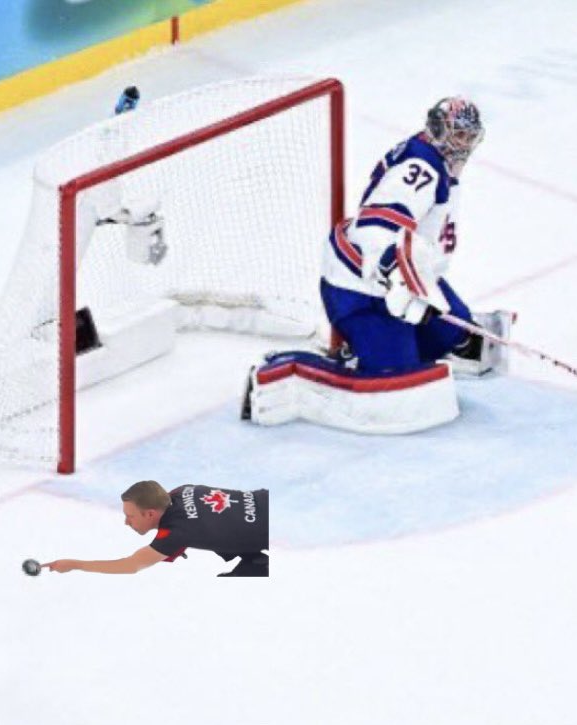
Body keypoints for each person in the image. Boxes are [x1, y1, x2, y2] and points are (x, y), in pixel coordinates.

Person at [243, 97, 513, 434]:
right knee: (395, 377)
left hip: (400, 276)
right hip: (359, 288)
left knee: (454, 333)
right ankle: (295, 371)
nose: (465, 146)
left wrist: (417, 282)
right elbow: (374, 228)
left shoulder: (438, 164)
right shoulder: (423, 167)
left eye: (470, 137)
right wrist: (398, 279)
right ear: (438, 129)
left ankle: (390, 340)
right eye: (458, 135)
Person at [44, 481, 269, 577]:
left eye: (130, 516)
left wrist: (75, 564)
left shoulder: (176, 532)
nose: (127, 522)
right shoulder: (183, 490)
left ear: (150, 514)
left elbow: (131, 565)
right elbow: (202, 517)